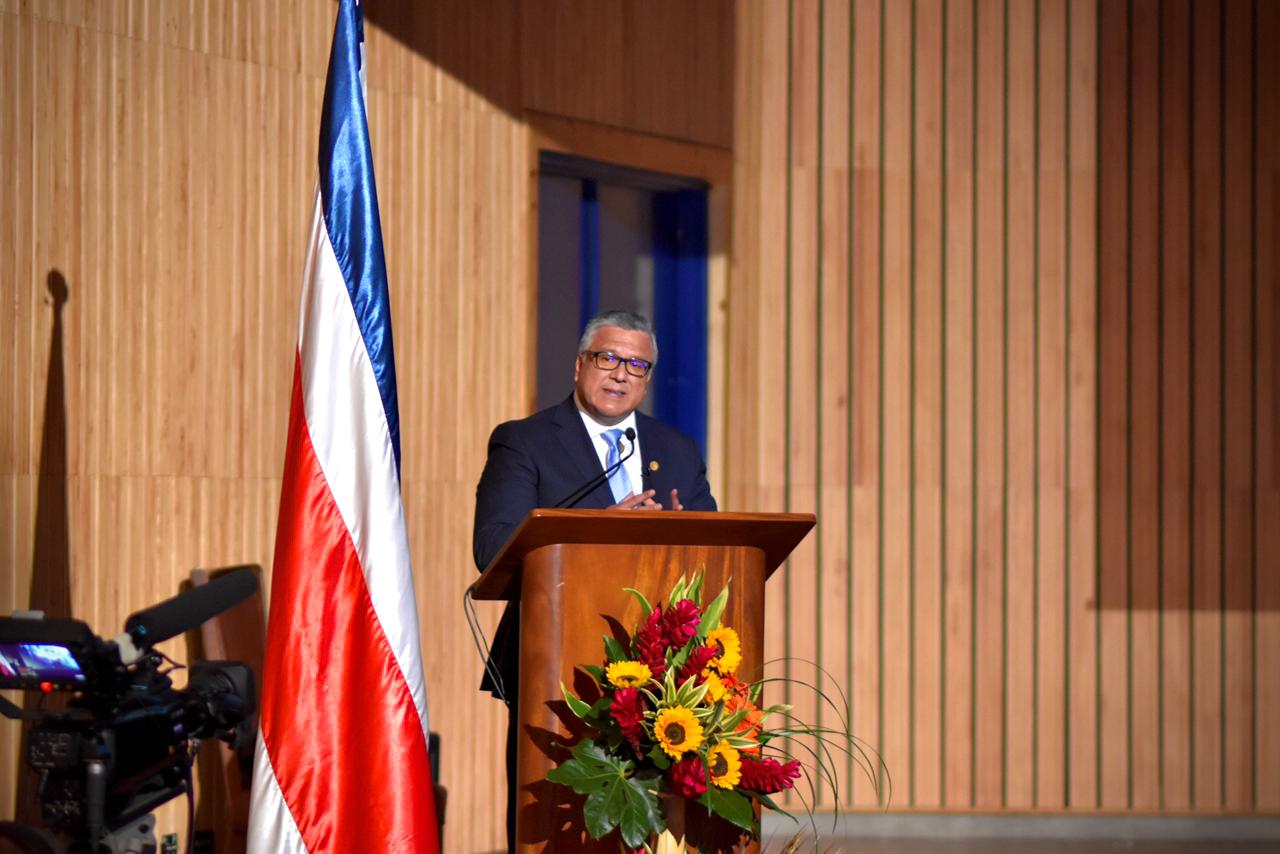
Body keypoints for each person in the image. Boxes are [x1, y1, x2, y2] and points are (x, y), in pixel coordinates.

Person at [472, 309, 717, 848]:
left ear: (647, 378)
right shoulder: (524, 441)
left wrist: (679, 536)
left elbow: (712, 557)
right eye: (608, 358)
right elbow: (492, 548)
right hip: (560, 665)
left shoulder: (677, 450)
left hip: (666, 672)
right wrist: (602, 528)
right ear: (579, 365)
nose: (620, 374)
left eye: (637, 365)